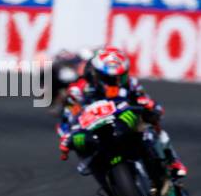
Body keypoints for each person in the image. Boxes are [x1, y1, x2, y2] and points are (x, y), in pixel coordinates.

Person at [57, 46, 187, 179]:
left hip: (124, 120)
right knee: (82, 150)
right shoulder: (78, 90)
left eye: (121, 76)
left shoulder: (131, 83)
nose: (117, 82)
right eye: (109, 78)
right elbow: (66, 118)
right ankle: (106, 180)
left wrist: (150, 107)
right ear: (95, 74)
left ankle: (172, 161)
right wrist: (67, 135)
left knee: (150, 127)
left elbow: (153, 105)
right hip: (93, 128)